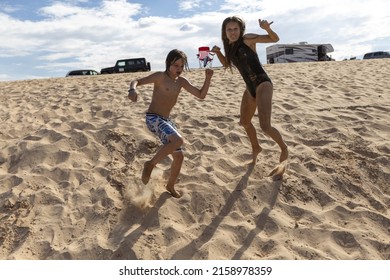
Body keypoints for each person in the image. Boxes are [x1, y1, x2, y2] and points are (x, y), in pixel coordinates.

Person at [128, 49, 214, 198]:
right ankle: (150, 164)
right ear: (168, 64)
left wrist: (207, 78)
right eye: (175, 65)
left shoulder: (181, 82)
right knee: (178, 140)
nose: (179, 69)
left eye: (181, 66)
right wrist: (132, 90)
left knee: (179, 156)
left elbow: (201, 95)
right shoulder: (160, 77)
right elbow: (137, 81)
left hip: (166, 120)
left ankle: (170, 185)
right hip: (153, 118)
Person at [212, 16, 288, 166]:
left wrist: (267, 29)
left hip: (263, 84)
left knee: (265, 126)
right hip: (250, 89)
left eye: (235, 29)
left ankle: (284, 148)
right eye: (229, 29)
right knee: (245, 122)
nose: (233, 32)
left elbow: (274, 39)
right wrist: (219, 53)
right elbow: (227, 64)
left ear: (241, 30)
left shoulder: (248, 39)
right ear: (224, 32)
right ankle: (256, 147)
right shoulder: (229, 47)